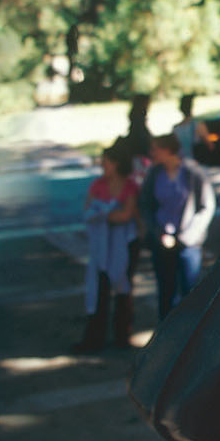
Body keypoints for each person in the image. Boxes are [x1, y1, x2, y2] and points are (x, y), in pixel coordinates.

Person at [138, 134, 215, 319]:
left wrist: (188, 236)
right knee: (166, 292)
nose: (152, 153)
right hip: (162, 239)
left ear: (167, 150)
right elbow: (146, 204)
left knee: (191, 291)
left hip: (188, 241)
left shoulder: (192, 172)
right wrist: (158, 232)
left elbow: (206, 206)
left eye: (155, 149)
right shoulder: (155, 174)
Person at [75, 145, 140, 351]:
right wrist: (111, 214)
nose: (102, 165)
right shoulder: (98, 185)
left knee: (122, 287)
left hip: (124, 244)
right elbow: (88, 211)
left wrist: (105, 214)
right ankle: (95, 337)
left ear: (117, 163)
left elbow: (127, 215)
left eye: (106, 161)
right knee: (98, 289)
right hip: (101, 246)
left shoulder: (129, 186)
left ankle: (122, 334)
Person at [171, 93, 211, 160]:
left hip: (182, 162)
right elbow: (210, 145)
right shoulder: (198, 125)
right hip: (196, 163)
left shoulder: (176, 128)